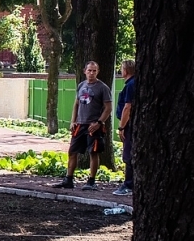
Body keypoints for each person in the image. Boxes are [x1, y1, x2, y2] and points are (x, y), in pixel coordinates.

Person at [55, 61, 111, 190]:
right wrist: (73, 121)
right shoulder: (81, 85)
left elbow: (108, 108)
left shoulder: (103, 87)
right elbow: (76, 104)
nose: (91, 73)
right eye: (89, 70)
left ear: (98, 72)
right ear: (84, 71)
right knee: (72, 151)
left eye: (94, 70)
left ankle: (91, 181)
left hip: (94, 126)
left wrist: (99, 123)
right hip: (80, 124)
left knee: (93, 153)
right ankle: (68, 179)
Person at [113, 59, 136, 196]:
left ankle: (128, 184)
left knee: (128, 153)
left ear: (126, 70)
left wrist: (121, 127)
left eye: (122, 69)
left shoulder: (130, 85)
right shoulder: (133, 83)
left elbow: (127, 107)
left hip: (129, 125)